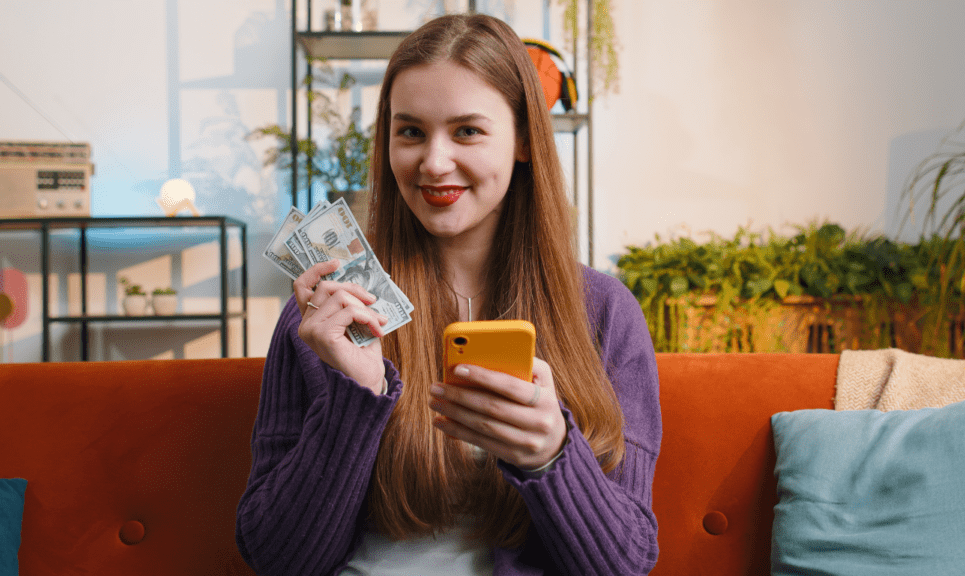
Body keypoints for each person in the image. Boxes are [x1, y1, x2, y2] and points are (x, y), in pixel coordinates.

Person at [236, 13, 661, 576]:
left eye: (467, 131)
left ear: (525, 142)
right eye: (410, 131)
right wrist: (354, 398)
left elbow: (626, 563)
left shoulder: (606, 312)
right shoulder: (325, 314)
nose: (433, 162)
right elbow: (276, 558)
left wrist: (552, 457)